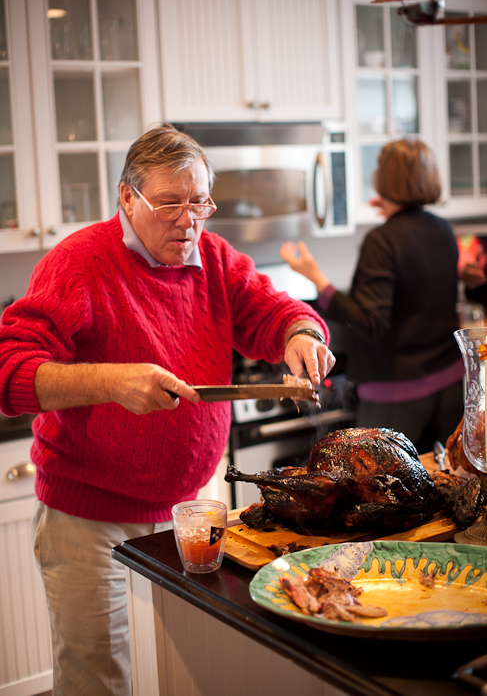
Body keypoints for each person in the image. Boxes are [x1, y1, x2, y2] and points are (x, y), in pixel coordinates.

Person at [0, 124, 335, 696]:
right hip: (92, 523)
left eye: (200, 201)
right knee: (98, 683)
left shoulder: (213, 256)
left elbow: (271, 309)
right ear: (127, 198)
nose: (190, 221)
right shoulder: (79, 263)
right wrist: (111, 383)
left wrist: (300, 334)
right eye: (171, 203)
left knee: (195, 667)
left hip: (191, 513)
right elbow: (9, 373)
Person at [280, 137, 465, 454]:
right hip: (448, 383)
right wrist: (395, 211)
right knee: (444, 480)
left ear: (386, 179)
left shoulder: (382, 241)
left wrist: (316, 279)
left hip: (398, 394)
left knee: (382, 488)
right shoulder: (443, 229)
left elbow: (371, 323)